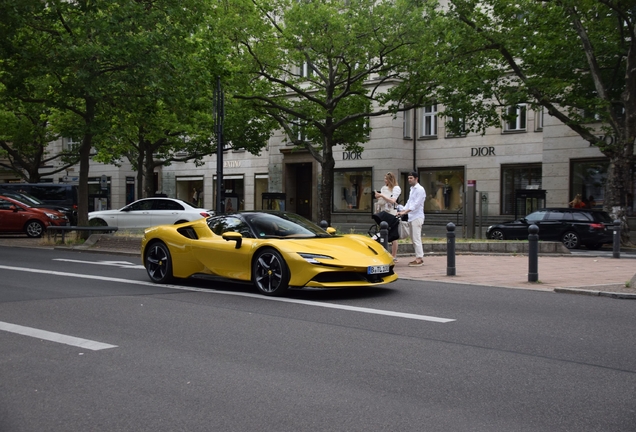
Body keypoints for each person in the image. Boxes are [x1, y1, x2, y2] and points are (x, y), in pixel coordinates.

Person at [396, 171, 426, 267]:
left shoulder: (420, 189)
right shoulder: (412, 189)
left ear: (416, 178)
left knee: (416, 238)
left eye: (411, 178)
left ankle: (419, 259)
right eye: (408, 178)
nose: (409, 180)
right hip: (412, 216)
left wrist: (405, 211)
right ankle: (418, 257)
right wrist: (402, 209)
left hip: (417, 217)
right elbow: (409, 202)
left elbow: (416, 204)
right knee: (413, 238)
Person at [374, 172, 402, 261]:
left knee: (393, 234)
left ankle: (394, 255)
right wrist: (378, 196)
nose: (385, 180)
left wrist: (382, 195)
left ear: (390, 180)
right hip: (383, 211)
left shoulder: (396, 188)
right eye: (384, 178)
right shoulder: (383, 188)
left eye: (386, 179)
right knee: (383, 232)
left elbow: (392, 201)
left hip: (391, 212)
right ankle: (384, 253)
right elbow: (382, 200)